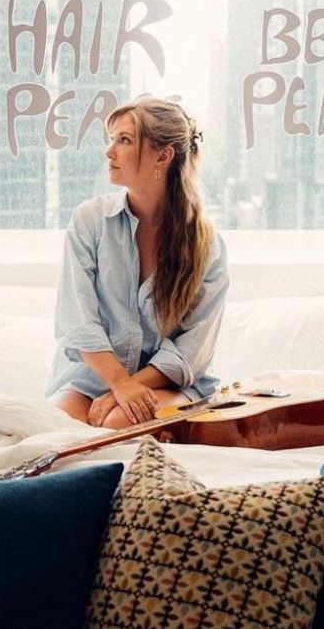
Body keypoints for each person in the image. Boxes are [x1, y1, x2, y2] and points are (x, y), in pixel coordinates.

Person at [47, 97, 229, 430]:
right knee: (59, 430)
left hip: (166, 383)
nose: (109, 151)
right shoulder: (90, 221)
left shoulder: (206, 246)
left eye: (124, 140)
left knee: (119, 423)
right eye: (111, 139)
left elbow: (190, 350)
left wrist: (131, 388)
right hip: (91, 378)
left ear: (163, 155)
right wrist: (119, 383)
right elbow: (79, 323)